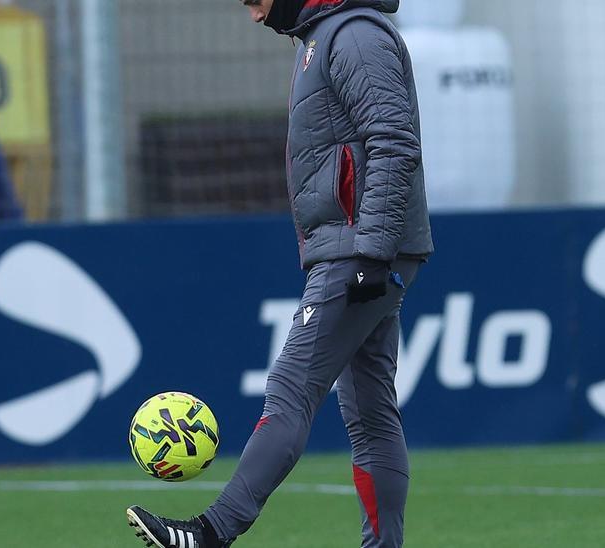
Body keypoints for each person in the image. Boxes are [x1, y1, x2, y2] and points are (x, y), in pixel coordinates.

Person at [126, 1, 432, 547]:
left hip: (358, 247)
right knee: (370, 413)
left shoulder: (354, 34)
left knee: (291, 390)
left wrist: (372, 251)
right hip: (357, 245)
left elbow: (393, 139)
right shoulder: (328, 34)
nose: (251, 14)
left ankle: (211, 533)